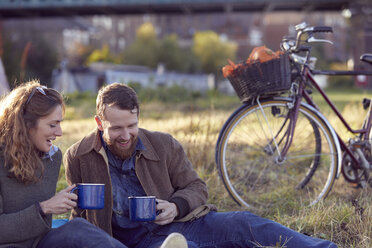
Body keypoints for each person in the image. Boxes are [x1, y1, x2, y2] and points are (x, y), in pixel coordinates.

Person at [64, 83, 338, 248]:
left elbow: (196, 187)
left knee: (245, 222)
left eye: (132, 126)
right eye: (116, 129)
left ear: (139, 118)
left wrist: (176, 206)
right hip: (134, 242)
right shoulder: (78, 156)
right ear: (99, 123)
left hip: (182, 222)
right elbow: (80, 219)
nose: (125, 135)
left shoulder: (162, 144)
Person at [0, 81, 130, 248]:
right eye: (52, 125)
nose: (59, 133)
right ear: (26, 125)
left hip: (40, 242)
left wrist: (60, 203)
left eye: (60, 123)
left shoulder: (52, 158)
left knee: (78, 228)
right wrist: (44, 208)